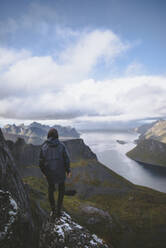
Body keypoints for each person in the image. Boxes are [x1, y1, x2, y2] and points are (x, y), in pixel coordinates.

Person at [39, 128, 71, 217]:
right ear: (57, 136)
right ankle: (59, 209)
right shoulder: (62, 146)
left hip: (49, 173)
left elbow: (41, 162)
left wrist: (44, 172)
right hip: (60, 172)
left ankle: (53, 210)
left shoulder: (44, 147)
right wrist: (68, 170)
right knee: (61, 189)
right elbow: (66, 159)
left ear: (48, 136)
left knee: (51, 189)